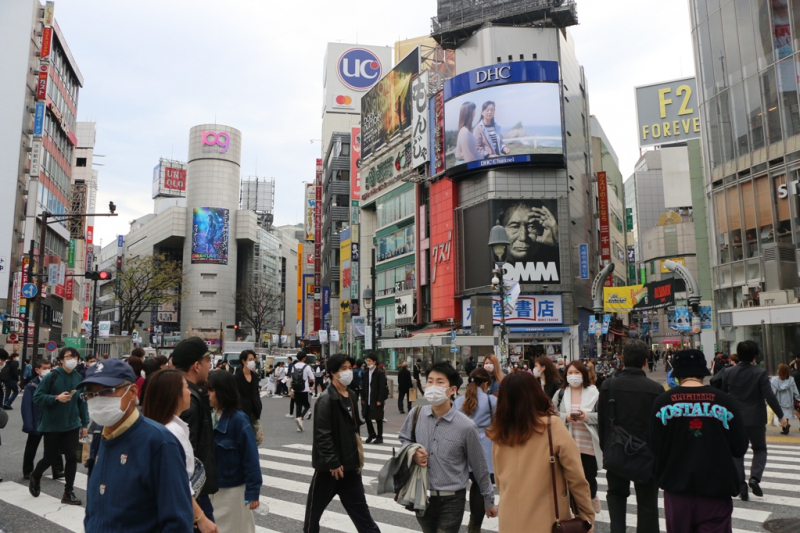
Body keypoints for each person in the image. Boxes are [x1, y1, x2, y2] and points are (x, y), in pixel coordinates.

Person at [79, 359, 195, 532]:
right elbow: (94, 507)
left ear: (132, 392)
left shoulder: (159, 442)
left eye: (106, 391)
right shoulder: (99, 436)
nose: (97, 400)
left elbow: (177, 519)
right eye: (90, 394)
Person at [649, 349, 748, 532]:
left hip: (677, 488)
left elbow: (654, 446)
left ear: (677, 374)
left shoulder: (662, 402)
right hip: (716, 490)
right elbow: (739, 447)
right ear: (703, 372)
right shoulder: (725, 401)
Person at [488, 371, 594, 532]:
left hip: (509, 518)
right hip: (548, 518)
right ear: (536, 394)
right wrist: (586, 515)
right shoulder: (552, 426)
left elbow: (499, 480)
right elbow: (576, 477)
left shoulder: (500, 433)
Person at [399, 362, 497, 533]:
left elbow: (480, 467)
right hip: (422, 494)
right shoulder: (416, 414)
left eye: (440, 382)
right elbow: (404, 439)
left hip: (452, 499)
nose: (433, 386)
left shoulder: (466, 426)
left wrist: (488, 501)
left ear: (452, 390)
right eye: (430, 381)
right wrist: (413, 452)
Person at [304, 354, 379, 533]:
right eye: (343, 368)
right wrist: (333, 461)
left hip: (350, 468)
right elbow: (322, 434)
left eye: (349, 367)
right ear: (332, 373)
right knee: (312, 518)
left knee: (363, 517)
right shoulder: (326, 400)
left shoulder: (351, 395)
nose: (348, 372)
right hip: (329, 471)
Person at [597, 340, 663, 533]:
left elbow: (602, 423)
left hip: (616, 450)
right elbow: (658, 427)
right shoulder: (655, 389)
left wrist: (606, 449)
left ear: (622, 360)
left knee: (616, 497)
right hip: (646, 454)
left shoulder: (609, 385)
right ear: (645, 361)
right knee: (647, 504)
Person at [143, 368, 219, 533]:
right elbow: (179, 481)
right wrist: (200, 517)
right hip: (177, 509)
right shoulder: (172, 433)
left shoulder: (162, 427)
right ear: (173, 395)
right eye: (185, 388)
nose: (189, 392)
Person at [722, 340, 787, 499]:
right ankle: (755, 477)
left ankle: (741, 487)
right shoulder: (760, 373)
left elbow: (723, 395)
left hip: (735, 418)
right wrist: (781, 416)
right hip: (756, 418)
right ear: (755, 356)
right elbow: (769, 396)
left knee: (737, 453)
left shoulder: (729, 372)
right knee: (760, 449)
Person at [29, 347, 89, 505]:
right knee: (49, 458)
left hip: (72, 424)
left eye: (74, 357)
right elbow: (38, 396)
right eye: (68, 357)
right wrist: (56, 398)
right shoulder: (52, 376)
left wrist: (85, 423)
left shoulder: (79, 378)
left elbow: (82, 402)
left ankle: (68, 492)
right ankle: (35, 475)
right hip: (52, 424)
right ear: (61, 360)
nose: (71, 360)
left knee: (71, 457)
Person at [206, 370, 263, 533]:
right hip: (213, 490)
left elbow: (250, 457)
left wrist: (253, 491)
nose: (207, 394)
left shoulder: (239, 419)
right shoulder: (208, 416)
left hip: (234, 491)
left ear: (222, 391)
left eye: (211, 390)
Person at [173, 337, 219, 523]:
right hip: (192, 491)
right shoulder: (188, 401)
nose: (210, 365)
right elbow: (184, 454)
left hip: (191, 490)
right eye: (208, 360)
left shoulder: (179, 392)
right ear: (196, 366)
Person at [453, 369, 497, 533]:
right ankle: (475, 525)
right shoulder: (491, 400)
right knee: (481, 486)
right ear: (486, 383)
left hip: (465, 448)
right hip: (486, 449)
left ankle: (473, 523)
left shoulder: (458, 402)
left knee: (474, 485)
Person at [555, 361, 602, 514]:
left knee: (588, 477)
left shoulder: (594, 392)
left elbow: (603, 416)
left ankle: (592, 496)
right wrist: (566, 417)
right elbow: (550, 413)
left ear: (583, 374)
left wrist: (586, 417)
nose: (573, 376)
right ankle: (577, 511)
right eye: (570, 373)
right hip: (568, 443)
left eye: (577, 373)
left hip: (588, 443)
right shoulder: (561, 393)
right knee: (569, 479)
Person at [21, 359, 64, 481]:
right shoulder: (31, 385)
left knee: (55, 446)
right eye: (44, 368)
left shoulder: (54, 382)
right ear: (37, 370)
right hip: (37, 421)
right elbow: (26, 406)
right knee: (31, 447)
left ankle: (58, 470)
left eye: (49, 368)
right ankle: (28, 471)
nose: (47, 370)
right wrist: (28, 424)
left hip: (51, 420)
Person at [234, 350, 264, 445]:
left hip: (254, 410)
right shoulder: (236, 378)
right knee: (243, 438)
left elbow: (256, 392)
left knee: (259, 438)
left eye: (253, 359)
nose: (252, 362)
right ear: (243, 361)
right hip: (242, 411)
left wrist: (258, 404)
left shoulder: (255, 376)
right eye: (250, 359)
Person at [362, 352, 388, 444]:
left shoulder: (379, 373)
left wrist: (380, 400)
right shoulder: (366, 373)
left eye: (369, 361)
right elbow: (364, 386)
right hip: (367, 398)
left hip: (376, 399)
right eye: (367, 361)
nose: (367, 362)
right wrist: (363, 398)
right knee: (366, 416)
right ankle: (371, 433)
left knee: (378, 418)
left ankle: (379, 436)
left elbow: (382, 387)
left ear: (374, 362)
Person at [770, 364, 800, 434]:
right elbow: (795, 391)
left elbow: (772, 392)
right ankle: (785, 427)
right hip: (789, 401)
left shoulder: (775, 380)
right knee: (786, 415)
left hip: (779, 401)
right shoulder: (791, 380)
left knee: (780, 415)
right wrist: (798, 399)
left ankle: (786, 426)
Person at [290, 352, 315, 431]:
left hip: (295, 388)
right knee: (308, 406)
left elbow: (292, 376)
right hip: (304, 389)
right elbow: (311, 378)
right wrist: (309, 382)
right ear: (304, 358)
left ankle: (299, 426)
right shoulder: (307, 367)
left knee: (298, 406)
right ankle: (300, 418)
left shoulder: (294, 366)